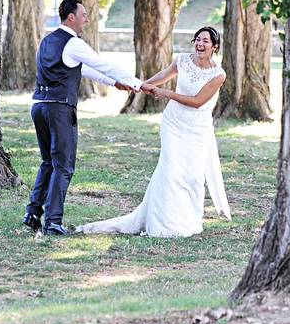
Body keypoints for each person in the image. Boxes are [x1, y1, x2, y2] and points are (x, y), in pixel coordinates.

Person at [77, 26, 231, 238]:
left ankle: (188, 219)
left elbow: (197, 102)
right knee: (171, 170)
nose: (199, 44)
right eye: (197, 39)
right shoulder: (182, 60)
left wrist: (166, 93)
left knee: (193, 176)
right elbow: (163, 75)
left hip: (197, 130)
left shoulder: (218, 75)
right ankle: (164, 223)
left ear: (214, 47)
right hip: (173, 123)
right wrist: (139, 85)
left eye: (205, 41)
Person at [23, 0, 155, 240]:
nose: (86, 18)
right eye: (83, 14)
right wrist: (138, 83)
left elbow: (79, 69)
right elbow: (102, 63)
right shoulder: (73, 43)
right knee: (63, 166)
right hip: (60, 109)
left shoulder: (48, 41)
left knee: (48, 163)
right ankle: (53, 221)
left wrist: (114, 83)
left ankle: (32, 214)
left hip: (39, 106)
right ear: (70, 17)